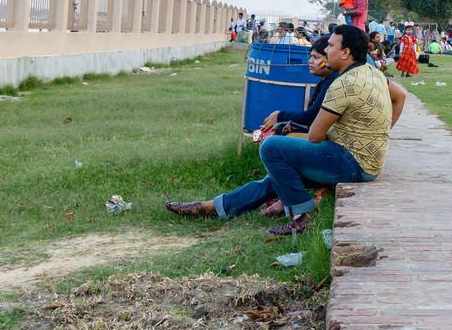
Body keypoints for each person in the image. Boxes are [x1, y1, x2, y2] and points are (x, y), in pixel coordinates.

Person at [165, 26, 405, 235]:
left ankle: (302, 214)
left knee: (272, 148)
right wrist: (380, 134)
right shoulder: (373, 73)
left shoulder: (343, 84)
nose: (326, 50)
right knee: (275, 178)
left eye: (331, 46)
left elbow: (315, 135)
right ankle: (210, 207)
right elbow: (400, 97)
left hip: (351, 162)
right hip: (369, 162)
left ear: (345, 53)